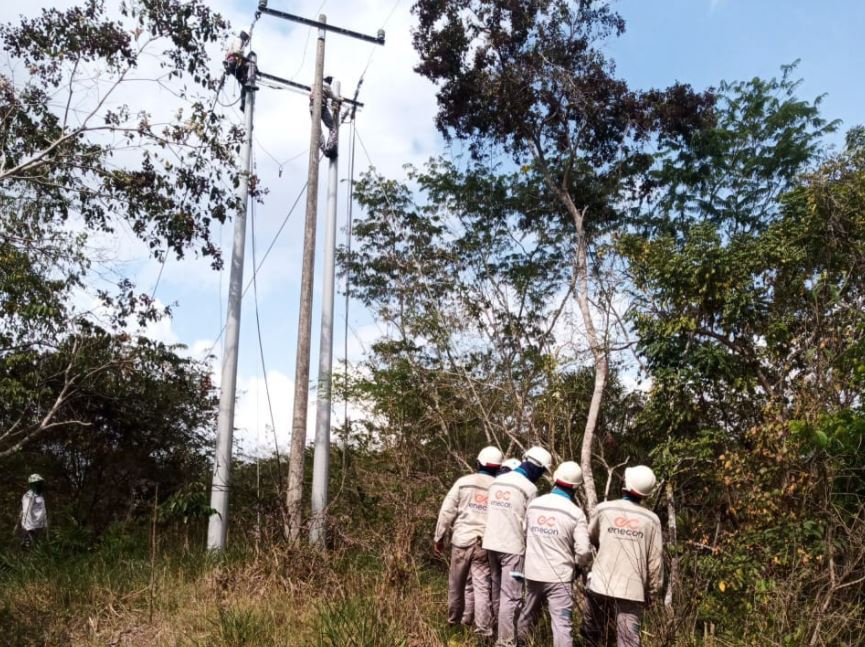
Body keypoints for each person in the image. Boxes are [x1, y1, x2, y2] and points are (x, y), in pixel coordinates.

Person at [581, 465, 663, 647]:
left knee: (592, 637)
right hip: (632, 591)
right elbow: (655, 562)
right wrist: (652, 593)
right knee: (628, 642)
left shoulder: (603, 509)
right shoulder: (652, 520)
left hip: (600, 585)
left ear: (626, 484)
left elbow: (592, 537)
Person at [483, 445, 552, 646]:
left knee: (496, 591)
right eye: (542, 472)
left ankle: (494, 631)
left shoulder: (497, 482)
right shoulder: (529, 488)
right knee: (510, 597)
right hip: (512, 549)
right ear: (537, 468)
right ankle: (505, 641)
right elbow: (530, 523)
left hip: (491, 544)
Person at [517, 461, 591, 647]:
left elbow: (524, 533)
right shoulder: (576, 513)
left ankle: (519, 643)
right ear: (576, 487)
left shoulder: (534, 505)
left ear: (555, 479)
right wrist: (578, 566)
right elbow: (583, 551)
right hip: (560, 577)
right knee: (561, 625)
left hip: (533, 572)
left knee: (527, 615)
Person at [435, 446, 504, 637]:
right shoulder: (500, 488)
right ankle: (483, 630)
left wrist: (439, 537)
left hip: (462, 541)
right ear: (498, 467)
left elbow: (446, 511)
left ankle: (454, 625)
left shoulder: (463, 482)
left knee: (456, 586)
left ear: (478, 463)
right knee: (482, 588)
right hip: (485, 544)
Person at [309, 75, 340, 159]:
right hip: (322, 107)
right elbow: (334, 97)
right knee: (333, 128)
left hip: (312, 107)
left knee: (317, 131)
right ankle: (330, 147)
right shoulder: (327, 86)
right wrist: (340, 99)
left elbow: (311, 93)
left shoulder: (314, 84)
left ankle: (325, 150)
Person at [17, 474, 47, 547]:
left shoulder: (39, 495)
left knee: (38, 547)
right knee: (28, 547)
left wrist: (44, 524)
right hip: (30, 528)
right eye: (38, 483)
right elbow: (26, 512)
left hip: (39, 526)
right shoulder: (29, 496)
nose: (40, 485)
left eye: (40, 483)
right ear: (32, 484)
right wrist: (29, 528)